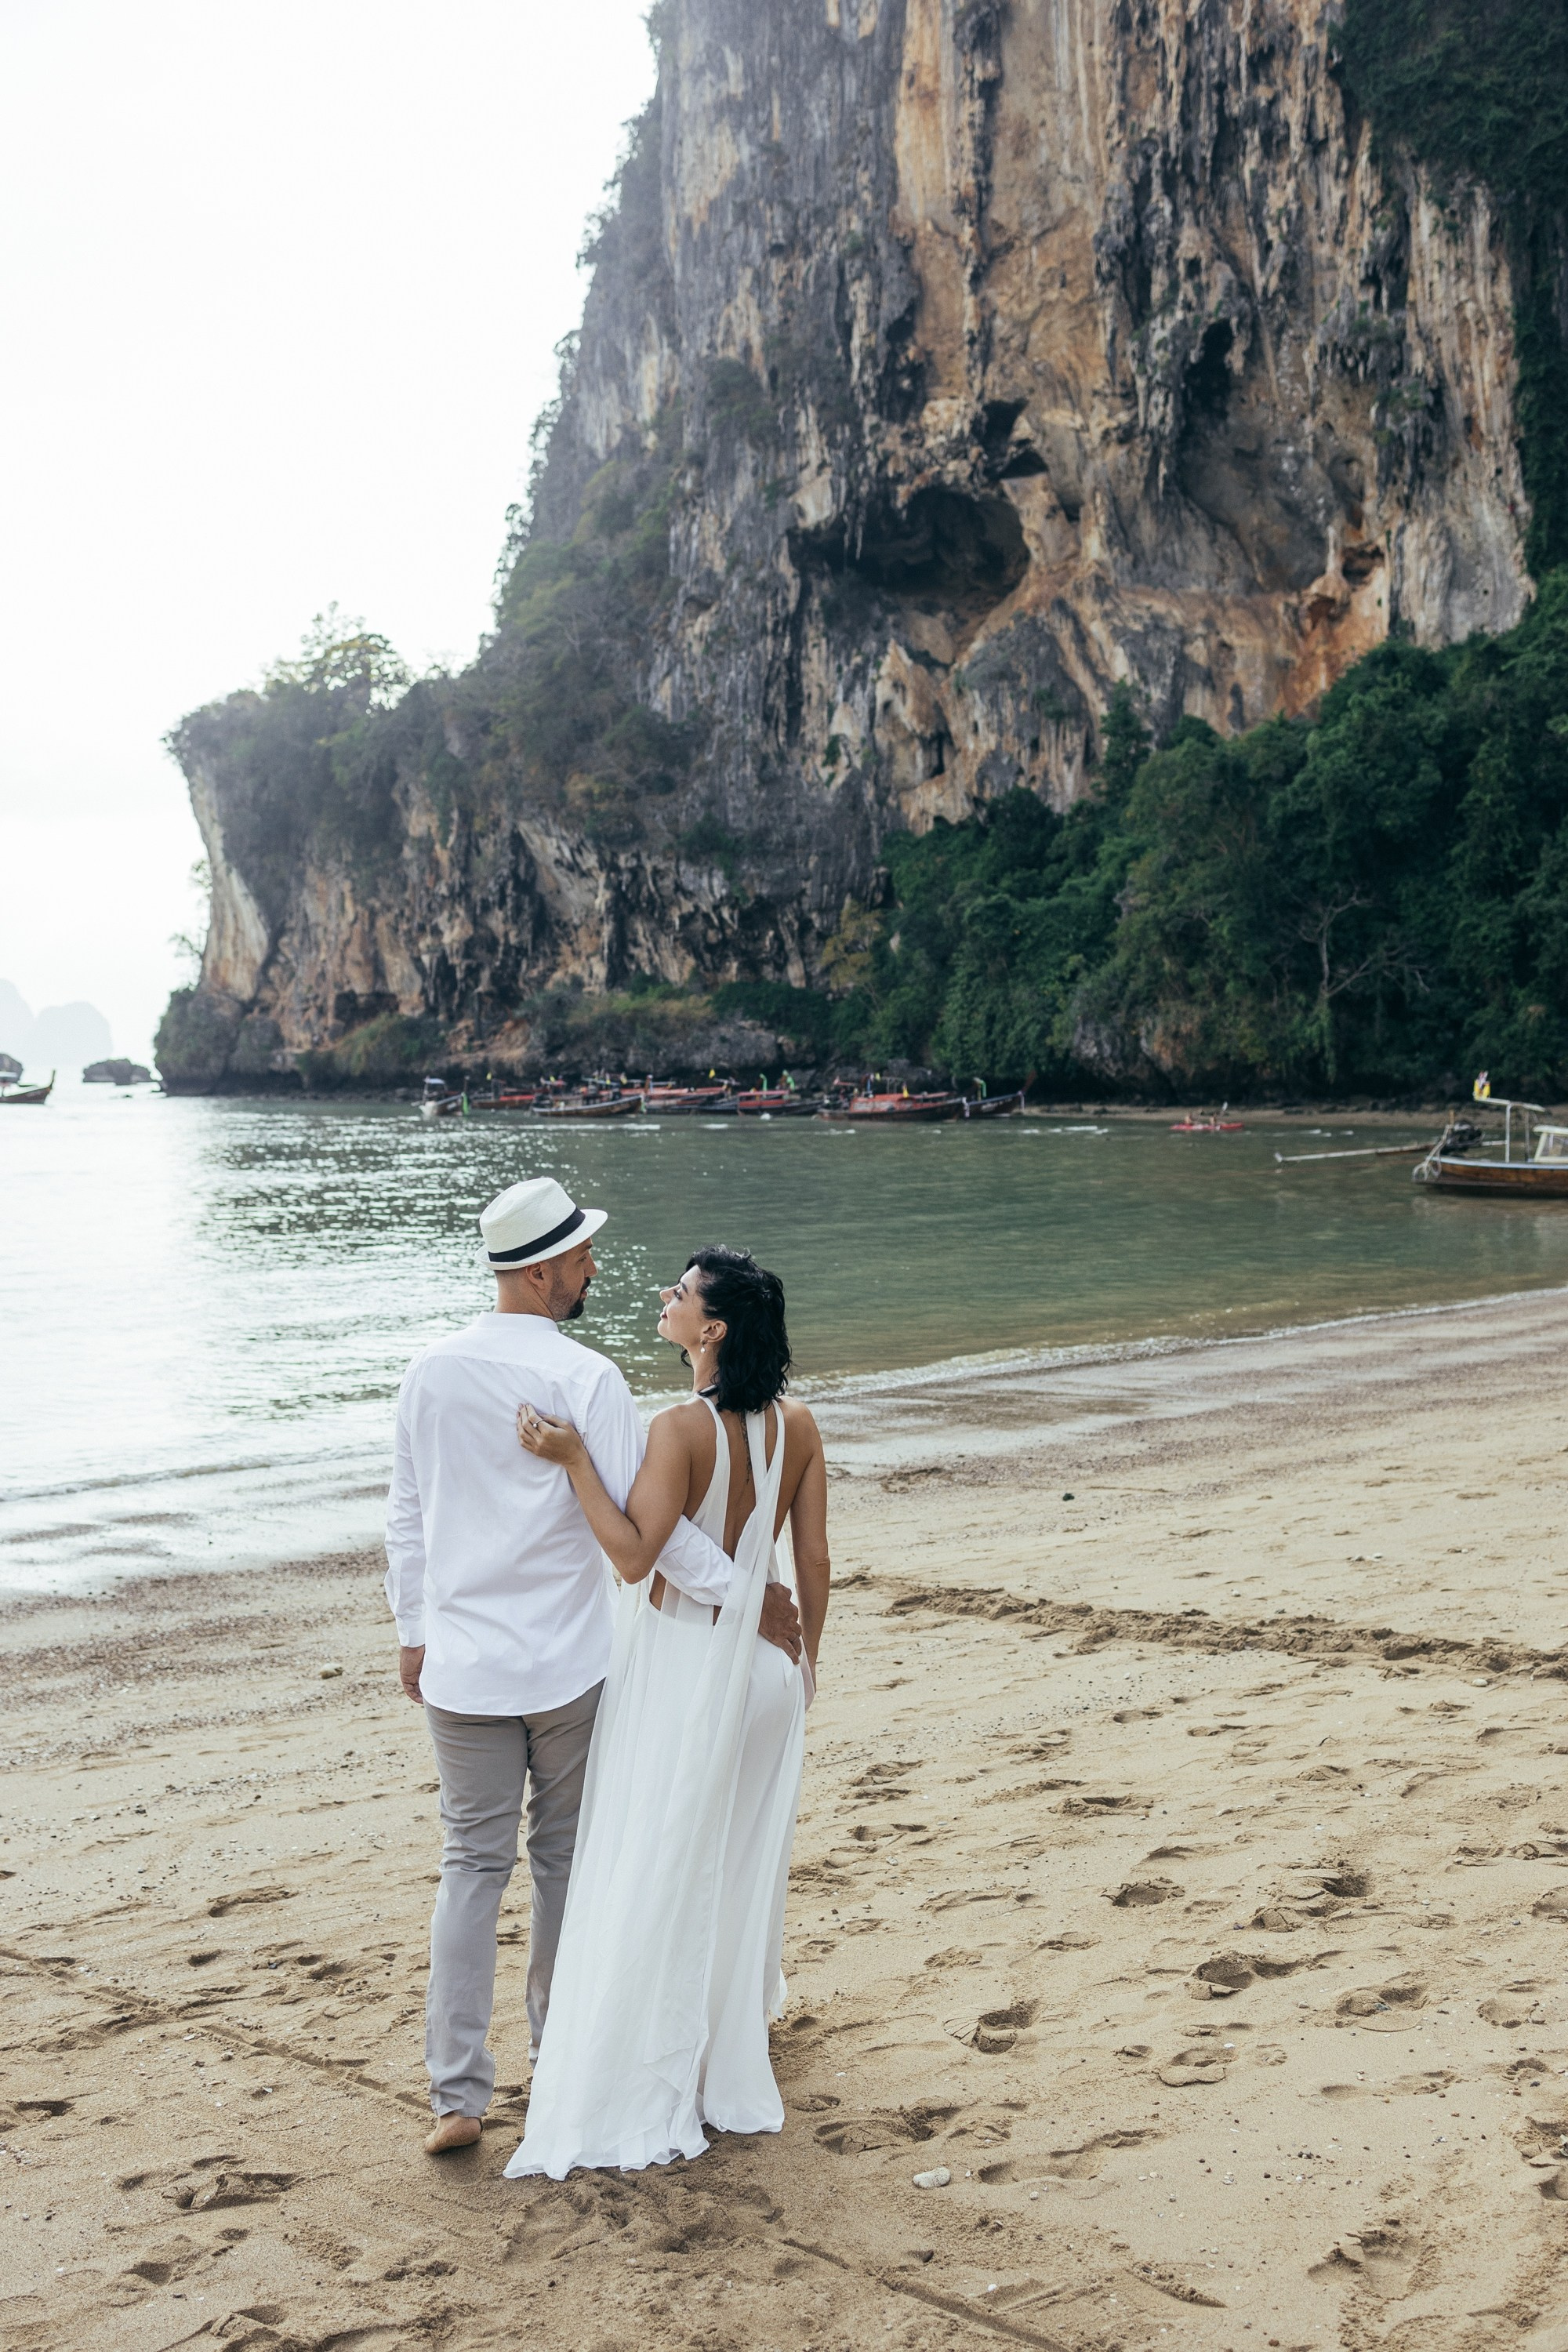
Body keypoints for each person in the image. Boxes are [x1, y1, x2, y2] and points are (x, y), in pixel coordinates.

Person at [383, 1178, 803, 2157]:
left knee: (469, 1868)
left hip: (464, 1666)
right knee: (563, 1864)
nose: (592, 1270)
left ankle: (457, 2094)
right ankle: (558, 2054)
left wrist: (413, 1632)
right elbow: (649, 1535)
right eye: (578, 1259)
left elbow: (405, 1517)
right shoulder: (590, 1382)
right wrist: (748, 1594)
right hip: (571, 1668)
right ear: (538, 1273)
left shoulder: (429, 1372)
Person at [504, 1244, 831, 2180]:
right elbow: (809, 1570)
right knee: (732, 1867)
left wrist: (571, 1461)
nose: (665, 1298)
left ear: (712, 1330)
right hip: (769, 1676)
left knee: (659, 1864)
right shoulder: (797, 1425)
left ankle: (663, 2064)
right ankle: (721, 2043)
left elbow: (632, 1558)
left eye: (680, 1294)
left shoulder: (679, 1430)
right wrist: (806, 1670)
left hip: (691, 1669)